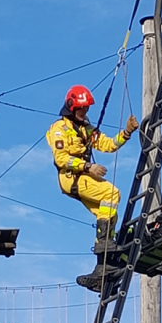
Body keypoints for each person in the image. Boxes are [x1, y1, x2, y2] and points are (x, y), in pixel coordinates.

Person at [46, 85, 139, 292]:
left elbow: (108, 144)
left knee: (108, 214)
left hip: (83, 176)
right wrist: (88, 166)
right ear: (71, 106)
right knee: (112, 193)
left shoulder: (85, 128)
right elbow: (61, 159)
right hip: (72, 177)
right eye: (81, 108)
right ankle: (104, 243)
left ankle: (102, 270)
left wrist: (127, 132)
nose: (85, 112)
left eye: (86, 108)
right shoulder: (59, 128)